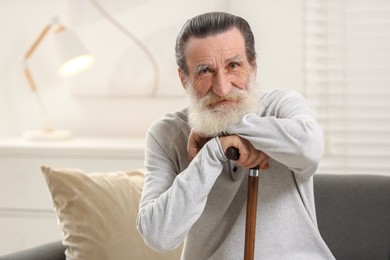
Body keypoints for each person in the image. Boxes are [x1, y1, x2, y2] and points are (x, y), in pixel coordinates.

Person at [136, 11, 335, 260]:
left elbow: (311, 148)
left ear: (252, 67)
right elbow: (158, 236)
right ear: (184, 78)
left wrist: (232, 122)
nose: (222, 87)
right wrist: (213, 152)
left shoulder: (281, 107)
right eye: (205, 71)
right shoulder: (165, 134)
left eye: (233, 65)